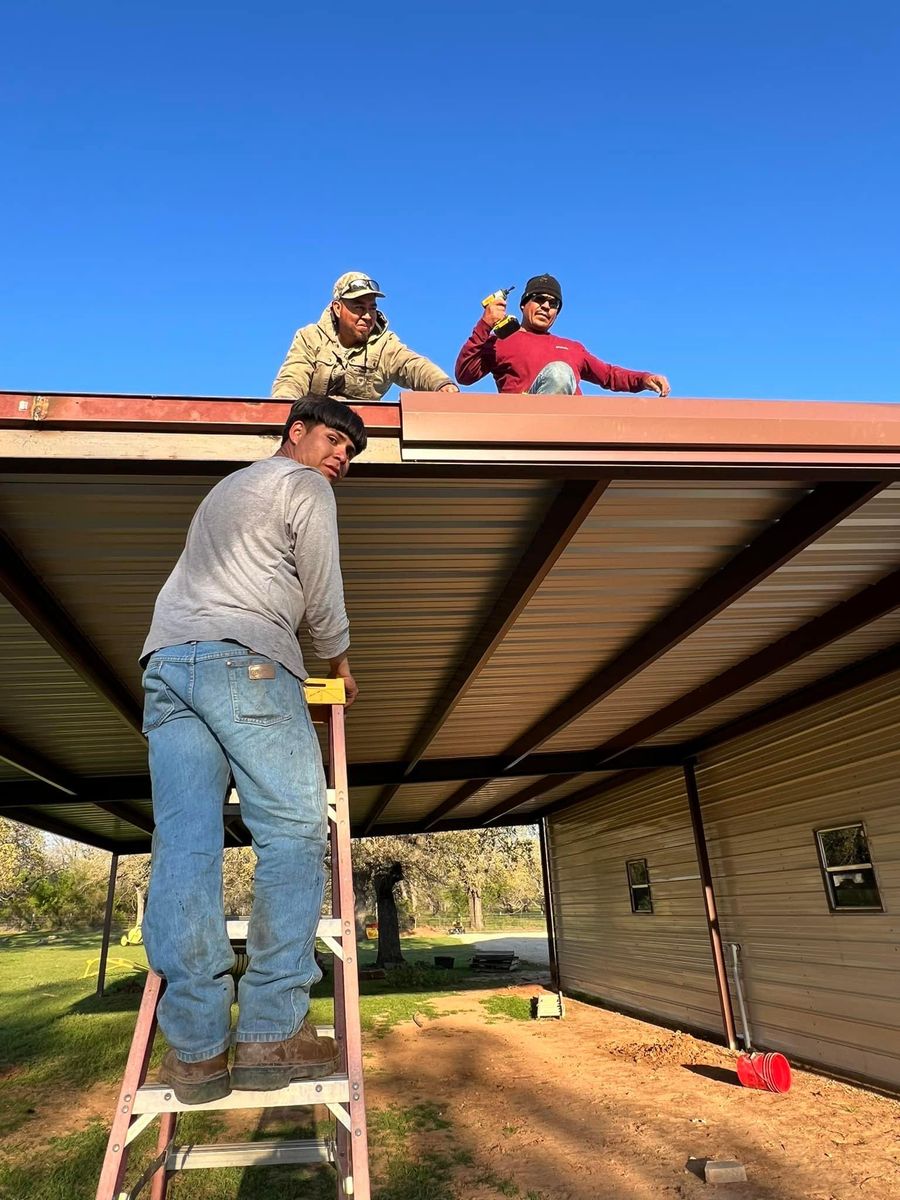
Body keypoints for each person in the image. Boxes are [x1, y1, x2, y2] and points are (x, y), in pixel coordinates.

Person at [140, 395, 365, 1104]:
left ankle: (197, 1051)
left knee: (184, 845)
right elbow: (321, 586)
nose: (341, 458)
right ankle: (271, 1030)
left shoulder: (226, 490)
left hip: (167, 663)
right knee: (297, 830)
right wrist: (339, 660)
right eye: (335, 439)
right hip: (248, 660)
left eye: (351, 452)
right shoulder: (302, 487)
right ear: (295, 433)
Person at [455, 273, 670, 397]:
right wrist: (485, 325)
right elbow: (464, 375)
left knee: (562, 373)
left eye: (553, 303)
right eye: (539, 299)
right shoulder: (501, 342)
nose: (546, 306)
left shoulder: (572, 348)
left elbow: (609, 375)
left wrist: (644, 379)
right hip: (523, 428)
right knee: (560, 373)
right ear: (523, 305)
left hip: (569, 430)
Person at [271, 271, 459, 402]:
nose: (368, 316)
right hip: (313, 432)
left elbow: (412, 365)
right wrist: (282, 409)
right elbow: (292, 379)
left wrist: (441, 384)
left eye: (372, 308)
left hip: (361, 435)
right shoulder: (309, 337)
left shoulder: (385, 344)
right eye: (359, 307)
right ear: (337, 308)